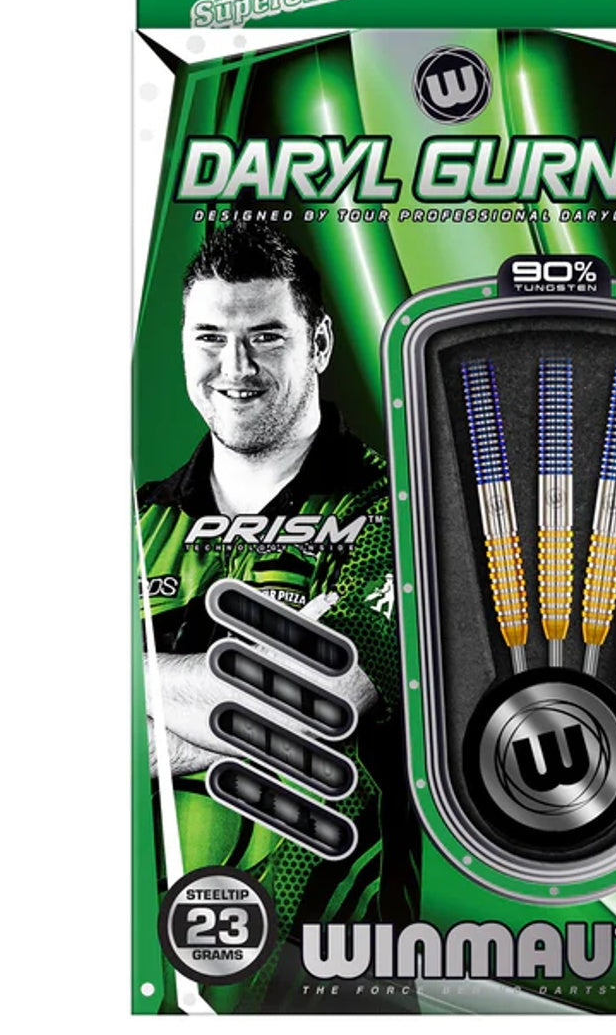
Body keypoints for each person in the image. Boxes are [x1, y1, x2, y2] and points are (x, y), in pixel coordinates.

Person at [137, 222, 415, 1011]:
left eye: (266, 336)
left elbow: (315, 703)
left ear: (318, 344)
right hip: (152, 986)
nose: (235, 368)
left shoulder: (399, 513)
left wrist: (144, 708)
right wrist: (232, 697)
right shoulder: (136, 525)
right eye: (210, 338)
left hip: (339, 986)